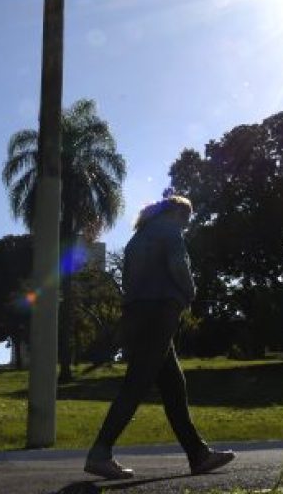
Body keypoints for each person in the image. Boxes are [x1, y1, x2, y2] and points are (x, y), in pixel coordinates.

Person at [83, 195, 235, 480]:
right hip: (160, 313)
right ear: (176, 212)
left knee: (174, 387)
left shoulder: (136, 239)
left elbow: (128, 282)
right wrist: (190, 293)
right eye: (186, 218)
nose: (186, 225)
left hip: (138, 313)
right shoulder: (170, 231)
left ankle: (198, 455)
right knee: (137, 382)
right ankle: (100, 452)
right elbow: (179, 265)